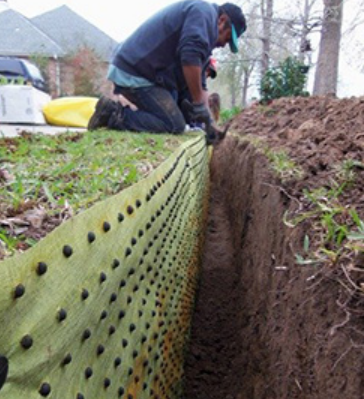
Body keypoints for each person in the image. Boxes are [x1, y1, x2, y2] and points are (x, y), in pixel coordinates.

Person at [88, 0, 246, 135]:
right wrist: (198, 104)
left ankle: (124, 115)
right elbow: (189, 57)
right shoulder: (203, 13)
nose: (224, 45)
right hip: (136, 70)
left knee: (186, 115)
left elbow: (201, 86)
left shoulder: (205, 37)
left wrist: (209, 123)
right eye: (227, 38)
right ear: (222, 20)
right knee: (173, 124)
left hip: (150, 74)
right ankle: (113, 114)